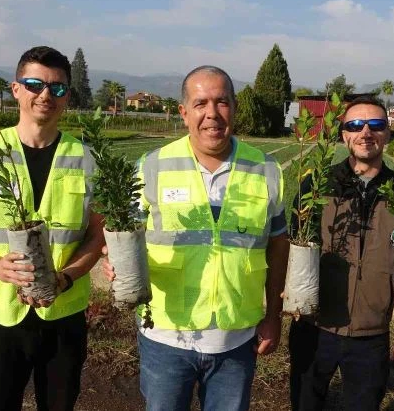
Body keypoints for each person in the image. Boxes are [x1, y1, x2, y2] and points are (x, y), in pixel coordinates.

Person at [102, 65, 289, 411]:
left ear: (234, 107)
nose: (212, 114)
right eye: (201, 103)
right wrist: (114, 262)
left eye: (222, 102)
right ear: (184, 112)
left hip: (235, 338)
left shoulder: (265, 169)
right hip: (165, 334)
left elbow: (278, 246)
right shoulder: (151, 167)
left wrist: (273, 315)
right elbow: (122, 234)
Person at [0, 46, 104, 411]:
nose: (45, 95)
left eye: (57, 88)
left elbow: (98, 234)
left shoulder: (88, 159)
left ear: (67, 96)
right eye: (34, 84)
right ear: (17, 90)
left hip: (63, 314)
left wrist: (68, 277)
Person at [289, 95, 394, 411]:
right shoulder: (317, 186)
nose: (366, 132)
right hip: (314, 327)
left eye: (376, 125)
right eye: (355, 125)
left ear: (388, 133)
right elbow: (294, 246)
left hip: (371, 334)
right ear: (343, 134)